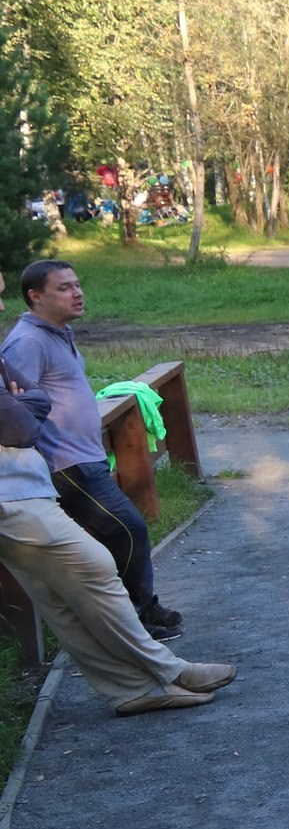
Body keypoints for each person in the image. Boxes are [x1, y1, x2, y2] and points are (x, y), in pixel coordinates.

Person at [0, 383, 235, 716]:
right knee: (95, 567)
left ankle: (130, 690)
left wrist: (24, 403)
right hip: (12, 497)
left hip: (22, 489)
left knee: (59, 601)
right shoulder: (26, 338)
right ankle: (169, 670)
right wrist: (22, 406)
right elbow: (19, 428)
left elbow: (36, 398)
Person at [2, 261, 182, 639]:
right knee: (126, 529)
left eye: (77, 284)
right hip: (65, 463)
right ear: (36, 296)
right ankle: (137, 616)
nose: (77, 292)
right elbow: (15, 407)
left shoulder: (58, 332)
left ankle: (134, 612)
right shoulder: (27, 342)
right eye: (64, 287)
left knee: (109, 537)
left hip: (86, 455)